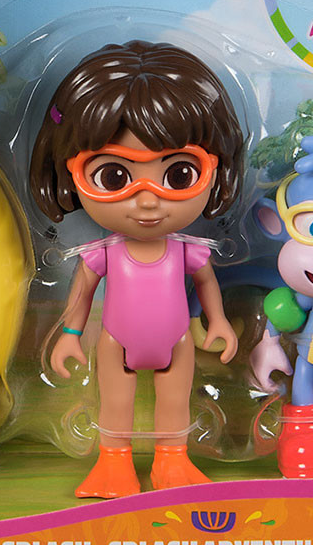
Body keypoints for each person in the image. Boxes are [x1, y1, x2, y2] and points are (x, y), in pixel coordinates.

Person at [29, 41, 244, 498]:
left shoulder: (186, 250)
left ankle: (173, 461)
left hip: (177, 341)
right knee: (115, 404)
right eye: (113, 176)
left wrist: (219, 322)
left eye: (180, 174)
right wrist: (69, 335)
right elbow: (81, 295)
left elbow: (207, 283)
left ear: (216, 169)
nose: (147, 201)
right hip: (115, 343)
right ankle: (113, 465)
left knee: (174, 403)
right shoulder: (105, 252)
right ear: (70, 173)